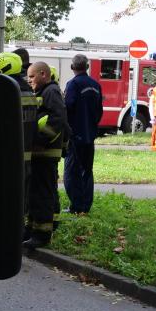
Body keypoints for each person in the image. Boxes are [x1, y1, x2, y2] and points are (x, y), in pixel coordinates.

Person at [24, 61, 69, 249]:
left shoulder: (51, 92)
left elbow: (57, 120)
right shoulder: (44, 92)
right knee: (36, 193)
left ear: (44, 74)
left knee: (43, 194)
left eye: (32, 76)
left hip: (46, 152)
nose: (29, 80)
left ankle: (42, 235)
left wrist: (41, 141)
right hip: (41, 153)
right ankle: (32, 230)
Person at [0, 51, 36, 209]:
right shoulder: (28, 91)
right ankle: (19, 231)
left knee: (7, 202)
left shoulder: (8, 92)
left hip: (9, 158)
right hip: (25, 156)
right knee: (21, 200)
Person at [63, 54, 103, 214]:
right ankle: (86, 205)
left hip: (75, 135)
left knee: (71, 172)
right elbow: (99, 111)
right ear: (87, 67)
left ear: (72, 67)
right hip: (89, 135)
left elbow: (67, 107)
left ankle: (76, 206)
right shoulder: (96, 85)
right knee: (87, 170)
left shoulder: (72, 84)